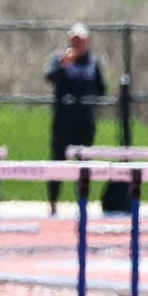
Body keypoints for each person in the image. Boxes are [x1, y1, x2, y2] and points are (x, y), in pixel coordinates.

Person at [46, 23, 106, 214]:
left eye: (80, 40)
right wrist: (64, 65)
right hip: (63, 119)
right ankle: (53, 203)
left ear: (87, 42)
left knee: (84, 162)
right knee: (57, 160)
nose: (77, 44)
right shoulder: (60, 58)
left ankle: (82, 203)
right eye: (74, 40)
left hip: (84, 120)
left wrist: (90, 102)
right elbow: (49, 76)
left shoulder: (93, 62)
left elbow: (101, 88)